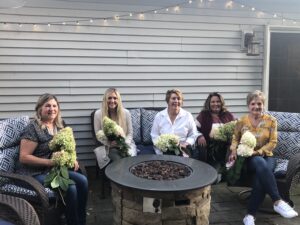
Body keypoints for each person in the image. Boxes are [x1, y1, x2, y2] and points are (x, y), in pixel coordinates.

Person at [228, 90, 298, 225]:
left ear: (263, 104)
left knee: (261, 176)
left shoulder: (271, 121)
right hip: (248, 158)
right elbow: (235, 139)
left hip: (268, 155)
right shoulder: (242, 121)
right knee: (259, 163)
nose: (256, 106)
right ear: (248, 105)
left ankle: (249, 216)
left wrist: (259, 151)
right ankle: (277, 201)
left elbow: (273, 142)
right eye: (253, 103)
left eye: (259, 103)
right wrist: (233, 151)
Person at [17, 93, 88, 225]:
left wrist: (73, 158)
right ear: (40, 109)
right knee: (70, 188)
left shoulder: (60, 125)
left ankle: (81, 219)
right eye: (47, 106)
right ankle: (72, 222)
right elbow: (24, 157)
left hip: (52, 170)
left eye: (54, 106)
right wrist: (50, 162)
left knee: (82, 181)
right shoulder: (33, 128)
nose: (52, 109)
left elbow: (68, 147)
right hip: (32, 173)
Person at [151, 89, 200, 156]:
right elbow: (154, 135)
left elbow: (193, 134)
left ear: (181, 101)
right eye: (173, 98)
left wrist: (186, 143)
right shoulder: (159, 116)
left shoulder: (188, 116)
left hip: (182, 150)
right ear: (168, 101)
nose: (176, 101)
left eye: (179, 99)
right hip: (163, 151)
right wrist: (161, 145)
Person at [94, 88, 137, 163]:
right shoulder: (98, 114)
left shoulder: (126, 113)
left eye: (115, 98)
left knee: (129, 158)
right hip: (108, 147)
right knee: (117, 158)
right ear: (105, 99)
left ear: (118, 100)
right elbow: (98, 134)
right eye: (109, 98)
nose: (112, 101)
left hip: (126, 144)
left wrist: (123, 144)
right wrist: (109, 144)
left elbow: (130, 133)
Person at [195, 92, 235, 168]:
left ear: (221, 103)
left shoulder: (228, 115)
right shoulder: (203, 115)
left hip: (226, 147)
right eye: (213, 102)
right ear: (209, 103)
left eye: (218, 101)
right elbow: (194, 129)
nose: (215, 104)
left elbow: (235, 129)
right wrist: (200, 136)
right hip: (209, 148)